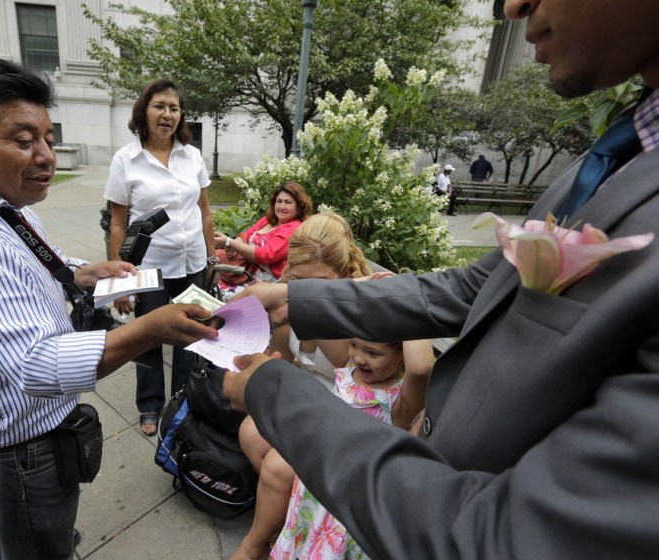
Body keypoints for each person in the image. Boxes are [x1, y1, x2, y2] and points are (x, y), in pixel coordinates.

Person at [222, 0, 659, 557]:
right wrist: (295, 298)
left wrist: (270, 389)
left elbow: (503, 538)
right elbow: (479, 288)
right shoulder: (616, 153)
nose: (512, 7)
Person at [0, 58, 219, 560]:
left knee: (14, 535)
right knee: (35, 541)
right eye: (25, 142)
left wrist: (81, 271)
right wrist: (149, 330)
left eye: (49, 139)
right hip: (5, 449)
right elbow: (38, 365)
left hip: (4, 431)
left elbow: (25, 256)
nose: (46, 156)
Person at [232, 212, 434, 560]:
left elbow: (366, 364)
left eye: (321, 282)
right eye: (301, 280)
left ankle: (260, 540)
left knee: (279, 464)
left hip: (340, 403)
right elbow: (263, 334)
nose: (311, 291)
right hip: (319, 391)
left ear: (342, 274)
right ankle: (286, 525)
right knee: (252, 430)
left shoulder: (361, 322)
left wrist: (327, 299)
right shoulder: (295, 298)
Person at [104, 78, 215, 436]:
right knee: (146, 337)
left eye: (174, 108)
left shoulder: (192, 155)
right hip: (149, 268)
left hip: (192, 262)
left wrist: (211, 259)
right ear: (144, 111)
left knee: (189, 334)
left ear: (181, 115)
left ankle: (181, 399)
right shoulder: (126, 159)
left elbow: (206, 212)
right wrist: (119, 279)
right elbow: (118, 223)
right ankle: (149, 405)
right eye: (159, 106)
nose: (167, 114)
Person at [270, 338, 405, 560]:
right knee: (300, 537)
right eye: (353, 344)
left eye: (373, 353)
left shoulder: (400, 401)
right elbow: (319, 318)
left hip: (347, 504)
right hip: (313, 487)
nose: (358, 357)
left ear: (402, 353)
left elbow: (421, 369)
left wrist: (414, 320)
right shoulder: (348, 369)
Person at [213, 181, 312, 299]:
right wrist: (234, 245)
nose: (281, 207)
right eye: (279, 201)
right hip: (244, 275)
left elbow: (266, 255)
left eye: (288, 202)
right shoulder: (269, 220)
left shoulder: (294, 228)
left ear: (299, 206)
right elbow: (246, 234)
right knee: (209, 276)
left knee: (215, 292)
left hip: (266, 286)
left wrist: (230, 242)